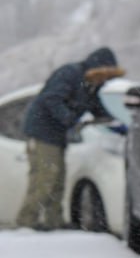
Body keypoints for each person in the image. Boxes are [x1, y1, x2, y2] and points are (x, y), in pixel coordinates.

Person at [15, 46, 126, 230]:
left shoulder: (91, 86)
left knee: (57, 181)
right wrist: (69, 119)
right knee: (44, 180)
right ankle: (26, 224)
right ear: (96, 68)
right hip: (43, 133)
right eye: (105, 75)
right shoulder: (70, 74)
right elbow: (52, 99)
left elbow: (97, 109)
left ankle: (54, 223)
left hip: (57, 137)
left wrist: (117, 125)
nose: (105, 80)